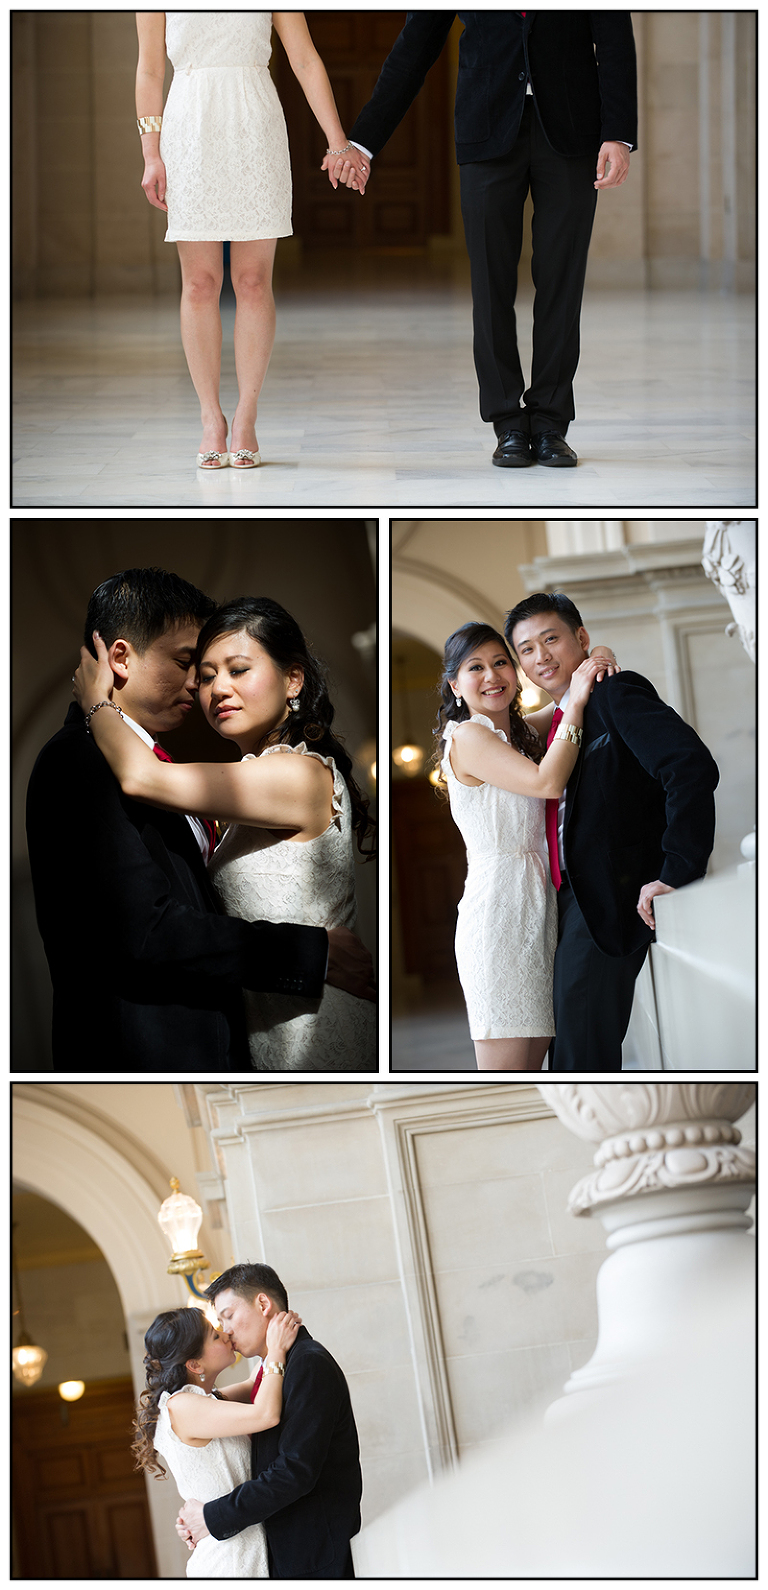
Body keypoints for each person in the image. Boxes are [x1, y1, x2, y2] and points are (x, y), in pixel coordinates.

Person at [25, 567, 373, 1070]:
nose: (205, 687)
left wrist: (96, 703)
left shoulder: (292, 773)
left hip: (311, 1024)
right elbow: (146, 930)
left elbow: (145, 782)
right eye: (195, 667)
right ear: (119, 658)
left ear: (293, 679)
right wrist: (309, 954)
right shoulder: (79, 760)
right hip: (155, 1060)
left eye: (236, 670)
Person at [346, 13, 637, 469]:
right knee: (489, 283)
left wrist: (618, 134)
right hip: (485, 130)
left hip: (572, 130)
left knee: (562, 281)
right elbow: (415, 46)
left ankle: (550, 424)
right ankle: (507, 424)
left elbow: (615, 39)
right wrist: (363, 141)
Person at [135, 13, 369, 469]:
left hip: (255, 125)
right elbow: (149, 68)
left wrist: (338, 141)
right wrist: (150, 154)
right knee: (200, 283)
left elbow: (305, 59)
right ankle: (210, 418)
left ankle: (246, 414)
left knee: (253, 281)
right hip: (188, 129)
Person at [505, 592, 720, 1071]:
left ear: (581, 637)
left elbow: (689, 767)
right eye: (527, 649)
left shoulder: (615, 693)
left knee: (579, 1059)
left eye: (551, 639)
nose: (541, 656)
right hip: (561, 905)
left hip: (608, 901)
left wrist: (677, 871)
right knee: (570, 1051)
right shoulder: (555, 722)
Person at [436, 623, 616, 1070]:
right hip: (498, 916)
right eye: (475, 667)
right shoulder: (468, 737)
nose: (491, 675)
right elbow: (547, 782)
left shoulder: (519, 736)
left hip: (540, 911)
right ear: (455, 685)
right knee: (508, 1079)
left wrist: (597, 655)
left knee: (538, 1072)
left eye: (500, 662)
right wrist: (577, 702)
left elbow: (564, 701)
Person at [177, 1263, 363, 1580]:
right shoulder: (272, 1369)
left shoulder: (308, 1364)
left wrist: (211, 1517)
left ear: (263, 1304)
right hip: (283, 1556)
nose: (226, 1330)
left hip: (311, 1559)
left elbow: (294, 1471)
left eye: (228, 1316)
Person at [133, 1304, 301, 1577]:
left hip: (241, 1549)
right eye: (214, 1335)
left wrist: (269, 1340)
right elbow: (266, 1414)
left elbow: (254, 1385)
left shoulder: (200, 1401)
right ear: (195, 1364)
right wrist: (277, 1351)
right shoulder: (183, 1407)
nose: (226, 1334)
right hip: (228, 1563)